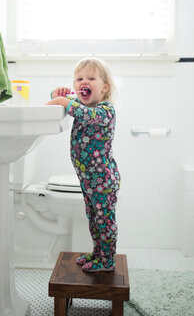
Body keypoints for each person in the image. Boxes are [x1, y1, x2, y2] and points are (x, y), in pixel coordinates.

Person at [47, 58, 121, 272]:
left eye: (90, 78)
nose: (83, 82)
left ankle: (107, 260)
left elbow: (83, 114)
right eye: (78, 79)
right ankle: (98, 252)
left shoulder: (105, 111)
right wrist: (56, 94)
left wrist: (63, 102)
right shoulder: (82, 104)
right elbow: (69, 104)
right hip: (89, 180)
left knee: (104, 221)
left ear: (105, 87)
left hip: (103, 181)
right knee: (93, 218)